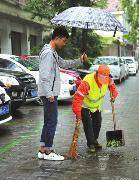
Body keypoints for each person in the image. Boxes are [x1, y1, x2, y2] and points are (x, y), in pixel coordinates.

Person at [37, 26, 88, 161]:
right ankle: (48, 151)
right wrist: (49, 94)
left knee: (48, 121)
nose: (64, 44)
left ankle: (42, 150)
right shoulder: (48, 53)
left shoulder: (52, 52)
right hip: (49, 93)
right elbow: (44, 75)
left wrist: (80, 60)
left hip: (49, 92)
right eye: (64, 41)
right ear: (57, 38)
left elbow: (64, 63)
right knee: (52, 122)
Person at [72, 64, 118, 153]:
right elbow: (77, 98)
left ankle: (94, 140)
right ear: (97, 74)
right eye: (101, 79)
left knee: (97, 123)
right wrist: (77, 113)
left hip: (96, 106)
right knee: (88, 124)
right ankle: (91, 144)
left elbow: (113, 87)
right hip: (84, 106)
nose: (102, 82)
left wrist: (114, 95)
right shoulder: (87, 81)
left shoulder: (108, 79)